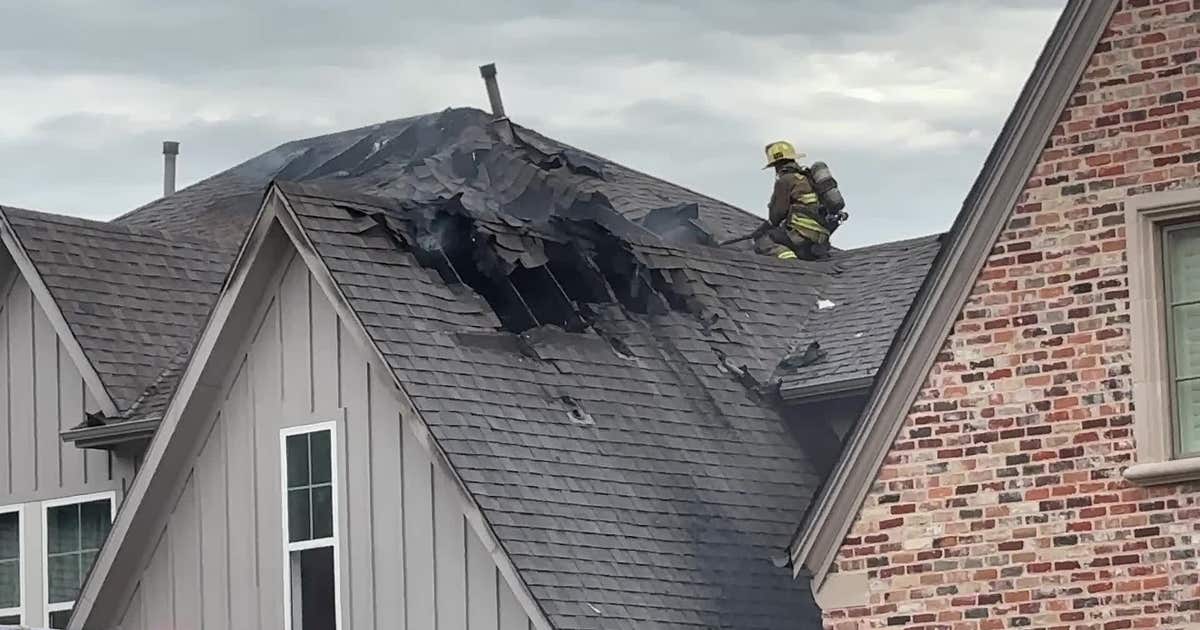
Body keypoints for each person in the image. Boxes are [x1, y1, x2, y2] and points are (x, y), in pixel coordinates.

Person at [754, 141, 831, 261]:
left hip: (800, 236)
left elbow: (777, 214)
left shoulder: (786, 180)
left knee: (764, 240)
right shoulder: (808, 178)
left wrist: (763, 229)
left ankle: (790, 262)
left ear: (777, 165)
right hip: (821, 239)